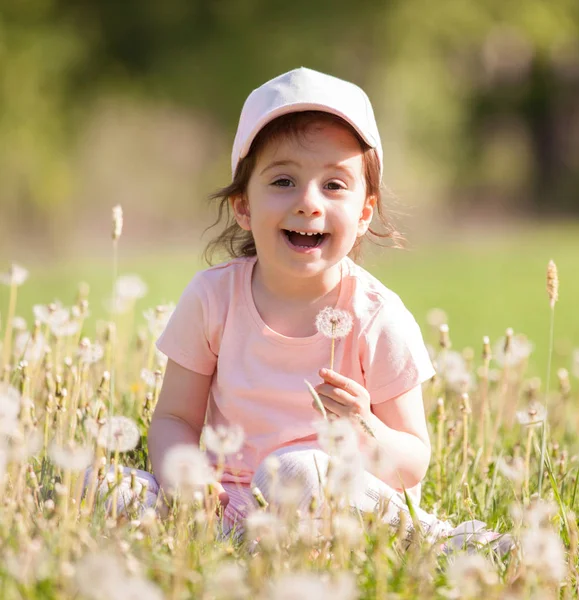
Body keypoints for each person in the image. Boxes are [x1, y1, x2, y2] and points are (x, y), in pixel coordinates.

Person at [140, 67, 510, 553]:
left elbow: (412, 461)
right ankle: (233, 542)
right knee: (100, 487)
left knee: (294, 471)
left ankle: (437, 542)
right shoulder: (213, 298)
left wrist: (365, 425)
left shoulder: (376, 315)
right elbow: (174, 419)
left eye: (334, 185)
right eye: (284, 181)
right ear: (243, 207)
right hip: (223, 506)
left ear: (364, 213)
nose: (308, 203)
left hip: (331, 499)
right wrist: (182, 478)